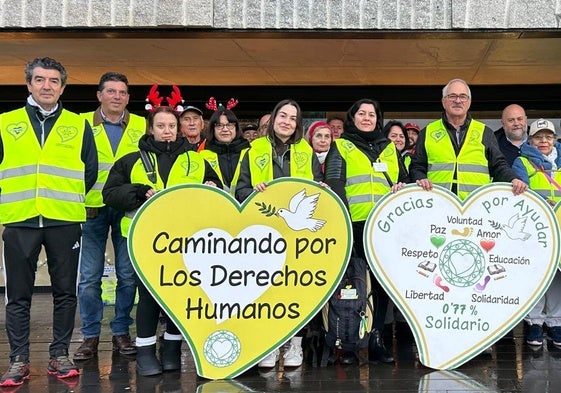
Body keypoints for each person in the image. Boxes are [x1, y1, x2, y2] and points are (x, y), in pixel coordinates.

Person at [102, 104, 221, 376]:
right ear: (151, 128)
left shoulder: (197, 160)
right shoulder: (131, 160)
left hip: (185, 243)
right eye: (160, 126)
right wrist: (140, 191)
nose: (166, 131)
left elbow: (215, 195)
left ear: (178, 129)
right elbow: (110, 194)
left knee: (178, 295)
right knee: (148, 297)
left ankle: (171, 351)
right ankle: (145, 352)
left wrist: (213, 187)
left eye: (171, 126)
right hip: (144, 240)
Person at [0, 57, 98, 386]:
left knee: (64, 293)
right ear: (28, 84)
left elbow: (89, 170)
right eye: (40, 80)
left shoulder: (78, 124)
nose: (46, 86)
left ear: (62, 87)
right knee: (18, 295)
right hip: (20, 221)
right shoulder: (5, 123)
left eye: (53, 81)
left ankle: (59, 354)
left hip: (63, 219)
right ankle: (18, 359)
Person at [236, 99, 323, 368]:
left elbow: (319, 189)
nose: (287, 121)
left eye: (293, 118)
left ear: (298, 124)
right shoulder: (252, 149)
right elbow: (238, 191)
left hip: (297, 237)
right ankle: (268, 345)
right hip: (263, 233)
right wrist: (252, 191)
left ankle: (295, 343)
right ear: (273, 119)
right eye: (282, 115)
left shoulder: (305, 151)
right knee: (266, 289)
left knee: (296, 289)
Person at [324, 98, 407, 365]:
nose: (367, 118)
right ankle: (348, 343)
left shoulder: (389, 148)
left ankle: (376, 340)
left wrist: (400, 187)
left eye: (372, 114)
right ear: (353, 117)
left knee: (382, 287)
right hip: (355, 225)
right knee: (353, 284)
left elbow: (402, 180)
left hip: (385, 226)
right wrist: (345, 223)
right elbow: (334, 183)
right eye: (362, 113)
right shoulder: (341, 145)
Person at [73, 72, 145, 362]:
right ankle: (90, 336)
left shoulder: (142, 125)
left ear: (128, 97)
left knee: (128, 276)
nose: (117, 97)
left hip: (128, 207)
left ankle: (120, 332)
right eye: (111, 91)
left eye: (123, 92)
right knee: (89, 277)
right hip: (92, 207)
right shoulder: (79, 123)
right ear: (99, 95)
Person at [409, 78, 527, 199]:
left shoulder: (485, 132)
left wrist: (513, 178)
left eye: (463, 96)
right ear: (444, 102)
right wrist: (420, 179)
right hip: (438, 204)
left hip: (475, 207)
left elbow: (499, 165)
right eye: (452, 96)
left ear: (469, 102)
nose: (458, 100)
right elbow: (417, 166)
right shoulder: (428, 132)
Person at [511, 119, 561, 347]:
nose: (544, 141)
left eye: (548, 137)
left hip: (560, 230)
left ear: (555, 139)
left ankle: (555, 322)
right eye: (539, 137)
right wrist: (542, 202)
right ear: (530, 140)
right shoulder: (522, 162)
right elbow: (519, 194)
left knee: (558, 278)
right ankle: (535, 322)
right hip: (536, 231)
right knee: (537, 275)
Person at [200, 106, 250, 194]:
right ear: (213, 129)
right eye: (219, 125)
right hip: (217, 204)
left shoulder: (250, 152)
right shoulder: (203, 156)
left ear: (236, 128)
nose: (225, 129)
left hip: (247, 204)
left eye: (229, 125)